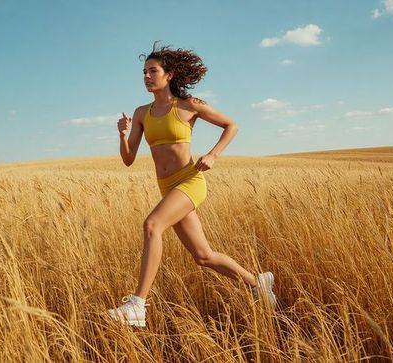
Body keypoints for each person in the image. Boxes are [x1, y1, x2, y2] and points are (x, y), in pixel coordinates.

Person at [107, 42, 276, 328]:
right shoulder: (141, 113)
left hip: (189, 181)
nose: (147, 76)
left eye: (153, 71)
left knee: (152, 226)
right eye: (144, 72)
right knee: (203, 256)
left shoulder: (187, 105)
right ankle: (257, 284)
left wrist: (213, 154)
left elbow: (231, 125)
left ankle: (137, 305)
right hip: (167, 186)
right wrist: (123, 135)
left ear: (169, 74)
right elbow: (128, 159)